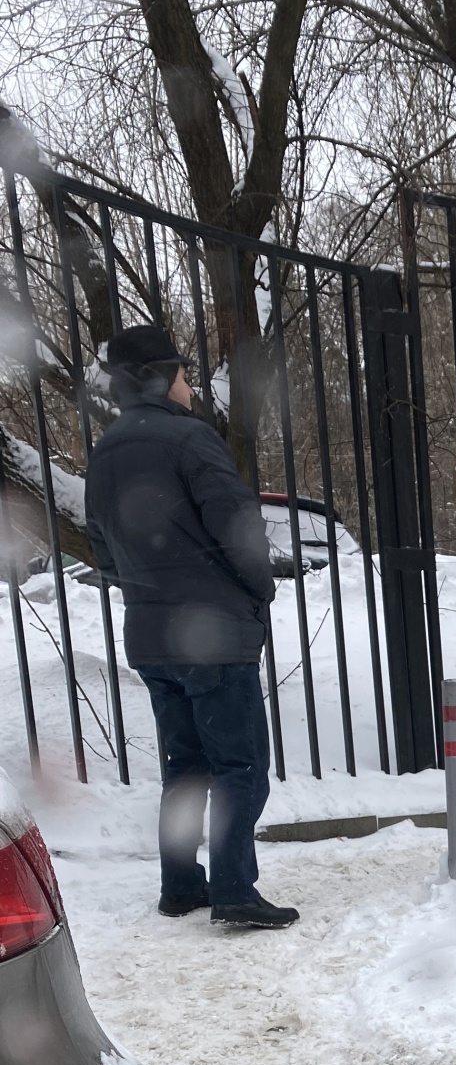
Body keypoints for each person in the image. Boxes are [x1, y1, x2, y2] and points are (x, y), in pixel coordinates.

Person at [83, 324, 298, 929]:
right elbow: (239, 530)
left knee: (185, 764)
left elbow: (104, 550)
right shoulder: (190, 441)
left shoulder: (103, 453)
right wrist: (257, 591)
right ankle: (233, 889)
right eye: (182, 373)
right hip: (213, 636)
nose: (189, 383)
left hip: (150, 638)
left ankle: (180, 884)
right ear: (157, 377)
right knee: (239, 764)